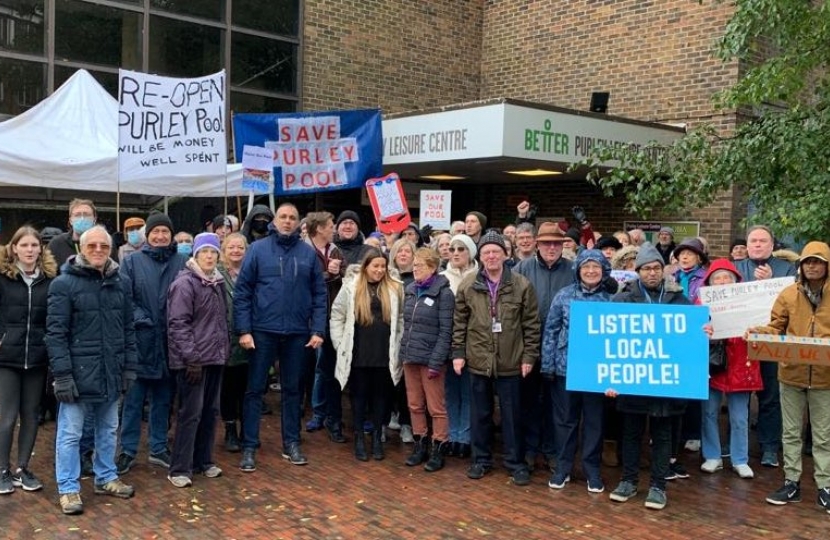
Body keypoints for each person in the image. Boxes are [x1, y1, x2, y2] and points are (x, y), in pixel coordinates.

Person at [46, 225, 137, 515]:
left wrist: (129, 368)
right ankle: (69, 488)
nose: (98, 250)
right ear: (81, 249)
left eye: (104, 246)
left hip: (110, 371)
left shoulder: (119, 282)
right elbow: (55, 334)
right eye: (92, 246)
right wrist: (62, 376)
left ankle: (106, 476)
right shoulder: (63, 284)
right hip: (76, 374)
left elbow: (127, 329)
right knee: (70, 435)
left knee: (109, 429)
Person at [234, 202, 327, 472]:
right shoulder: (257, 250)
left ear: (299, 223)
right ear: (275, 221)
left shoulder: (307, 254)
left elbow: (320, 296)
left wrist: (317, 330)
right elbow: (243, 292)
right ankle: (249, 445)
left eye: (292, 218)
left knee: (292, 390)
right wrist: (244, 329)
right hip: (262, 331)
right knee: (254, 390)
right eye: (283, 217)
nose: (287, 221)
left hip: (297, 333)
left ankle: (292, 443)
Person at [607, 243, 692, 511]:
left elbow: (690, 336)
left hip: (664, 383)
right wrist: (610, 379)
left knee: (663, 434)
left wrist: (704, 330)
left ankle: (658, 485)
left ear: (663, 270)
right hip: (632, 380)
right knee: (630, 432)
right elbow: (608, 342)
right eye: (646, 269)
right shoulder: (622, 300)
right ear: (638, 271)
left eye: (656, 268)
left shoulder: (679, 299)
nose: (652, 273)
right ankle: (629, 481)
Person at [453, 231, 540, 486]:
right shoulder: (468, 285)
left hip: (511, 360)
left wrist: (529, 356)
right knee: (480, 413)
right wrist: (458, 353)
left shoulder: (522, 285)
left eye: (496, 251)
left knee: (512, 415)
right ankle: (481, 460)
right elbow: (459, 323)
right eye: (486, 252)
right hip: (478, 358)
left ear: (505, 254)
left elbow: (532, 325)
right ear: (480, 256)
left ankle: (515, 463)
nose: (491, 256)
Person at [751, 242, 830, 511]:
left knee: (823, 435)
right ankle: (791, 482)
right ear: (801, 265)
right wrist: (758, 333)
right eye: (808, 261)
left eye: (817, 261)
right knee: (791, 433)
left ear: (827, 265)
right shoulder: (787, 294)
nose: (812, 266)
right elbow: (776, 327)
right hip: (791, 374)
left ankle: (825, 485)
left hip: (825, 378)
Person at [116, 212, 187, 476]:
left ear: (171, 235)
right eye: (155, 232)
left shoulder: (182, 262)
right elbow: (123, 299)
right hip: (140, 342)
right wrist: (144, 319)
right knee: (133, 401)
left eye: (165, 232)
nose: (160, 236)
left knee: (163, 399)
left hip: (170, 343)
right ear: (147, 235)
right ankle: (127, 450)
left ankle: (158, 447)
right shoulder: (132, 262)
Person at [542, 249, 613, 494]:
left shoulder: (612, 300)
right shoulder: (564, 296)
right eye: (586, 267)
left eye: (596, 267)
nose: (591, 271)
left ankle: (592, 469)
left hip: (596, 373)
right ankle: (562, 468)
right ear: (578, 270)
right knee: (565, 422)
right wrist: (548, 365)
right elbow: (550, 331)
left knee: (594, 422)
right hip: (565, 369)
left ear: (604, 271)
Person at [166, 233, 229, 487]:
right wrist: (192, 357)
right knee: (190, 413)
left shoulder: (217, 282)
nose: (210, 256)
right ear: (195, 254)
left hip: (214, 358)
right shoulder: (185, 284)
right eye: (204, 251)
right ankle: (180, 467)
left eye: (213, 252)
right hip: (193, 361)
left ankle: (204, 460)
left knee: (210, 411)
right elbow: (178, 324)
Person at [331, 248, 403, 461]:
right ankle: (359, 437)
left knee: (382, 397)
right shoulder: (351, 287)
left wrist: (399, 344)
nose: (379, 270)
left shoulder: (396, 288)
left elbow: (401, 320)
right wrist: (339, 344)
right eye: (375, 266)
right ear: (366, 267)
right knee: (359, 397)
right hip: (359, 351)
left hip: (384, 352)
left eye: (383, 266)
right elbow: (337, 315)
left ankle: (377, 436)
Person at [0, 227, 57, 495]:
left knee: (31, 416)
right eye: (24, 245)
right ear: (14, 248)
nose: (30, 249)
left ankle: (23, 468)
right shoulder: (3, 278)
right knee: (7, 418)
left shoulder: (49, 281)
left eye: (35, 245)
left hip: (37, 359)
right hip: (6, 359)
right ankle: (2, 470)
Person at [735, 225, 797, 468]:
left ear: (772, 245)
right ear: (747, 245)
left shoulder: (786, 269)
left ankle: (770, 447)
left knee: (770, 395)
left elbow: (792, 304)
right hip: (740, 343)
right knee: (738, 394)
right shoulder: (736, 268)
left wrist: (771, 282)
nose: (758, 245)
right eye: (753, 241)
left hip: (772, 342)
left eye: (763, 241)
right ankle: (735, 446)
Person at [514, 222, 572, 471]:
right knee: (528, 401)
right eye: (547, 243)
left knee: (555, 404)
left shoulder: (573, 269)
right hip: (529, 346)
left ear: (562, 246)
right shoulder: (522, 269)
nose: (551, 247)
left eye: (556, 243)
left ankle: (551, 450)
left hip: (560, 350)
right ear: (537, 245)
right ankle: (529, 448)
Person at [699, 259, 762, 479]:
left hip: (740, 365)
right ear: (710, 282)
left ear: (735, 280)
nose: (723, 281)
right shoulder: (700, 303)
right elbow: (692, 333)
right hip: (713, 365)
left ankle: (740, 459)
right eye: (718, 277)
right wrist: (702, 331)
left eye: (727, 277)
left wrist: (755, 331)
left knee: (739, 416)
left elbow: (763, 328)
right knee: (708, 413)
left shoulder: (749, 303)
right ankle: (712, 456)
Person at [400, 248, 454, 472]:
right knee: (414, 405)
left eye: (419, 265)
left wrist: (436, 361)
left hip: (431, 359)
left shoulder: (444, 293)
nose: (415, 269)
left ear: (432, 267)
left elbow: (446, 331)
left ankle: (438, 448)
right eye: (414, 265)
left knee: (436, 407)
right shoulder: (411, 290)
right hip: (410, 357)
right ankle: (419, 444)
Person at [304, 212, 347, 443]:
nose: (335, 229)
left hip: (334, 319)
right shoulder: (304, 251)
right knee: (312, 370)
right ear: (319, 228)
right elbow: (302, 281)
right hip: (309, 320)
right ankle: (317, 412)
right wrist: (327, 274)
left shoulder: (336, 250)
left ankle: (332, 417)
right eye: (331, 225)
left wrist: (341, 272)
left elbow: (344, 277)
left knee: (329, 368)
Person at [671, 237, 710, 457]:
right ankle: (674, 430)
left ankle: (693, 433)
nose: (684, 257)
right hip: (674, 337)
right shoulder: (671, 277)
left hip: (696, 337)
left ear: (698, 257)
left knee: (693, 385)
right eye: (681, 254)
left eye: (689, 254)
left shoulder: (705, 279)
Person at [440, 235, 478, 458]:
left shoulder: (480, 277)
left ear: (470, 252)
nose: (455, 253)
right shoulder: (442, 278)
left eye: (461, 249)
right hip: (448, 343)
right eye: (452, 248)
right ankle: (452, 435)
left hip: (473, 344)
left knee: (469, 392)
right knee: (450, 391)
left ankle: (465, 436)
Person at [217, 232, 249, 453]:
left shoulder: (252, 272)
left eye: (240, 247)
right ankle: (230, 429)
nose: (236, 251)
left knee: (247, 387)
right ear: (224, 250)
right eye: (231, 247)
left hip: (248, 338)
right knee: (228, 387)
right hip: (225, 338)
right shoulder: (217, 274)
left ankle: (247, 428)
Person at [387, 237, 418, 443]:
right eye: (400, 251)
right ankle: (391, 414)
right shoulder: (386, 277)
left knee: (409, 383)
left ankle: (407, 423)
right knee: (391, 380)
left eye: (407, 251)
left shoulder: (418, 279)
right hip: (389, 337)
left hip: (412, 337)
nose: (404, 254)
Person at [48, 198, 100, 264]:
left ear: (94, 219)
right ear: (70, 220)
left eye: (86, 215)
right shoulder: (57, 244)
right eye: (77, 215)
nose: (82, 218)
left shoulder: (105, 243)